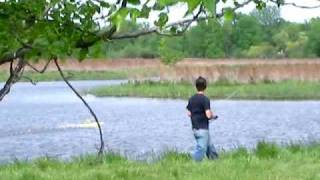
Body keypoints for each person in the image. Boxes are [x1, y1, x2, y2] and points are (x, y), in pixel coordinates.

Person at [186, 76, 219, 161]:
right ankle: (193, 162)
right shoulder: (205, 99)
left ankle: (215, 161)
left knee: (209, 146)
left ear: (196, 86)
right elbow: (208, 115)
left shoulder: (191, 99)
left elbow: (189, 113)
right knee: (201, 148)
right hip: (202, 129)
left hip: (195, 128)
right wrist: (213, 116)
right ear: (205, 87)